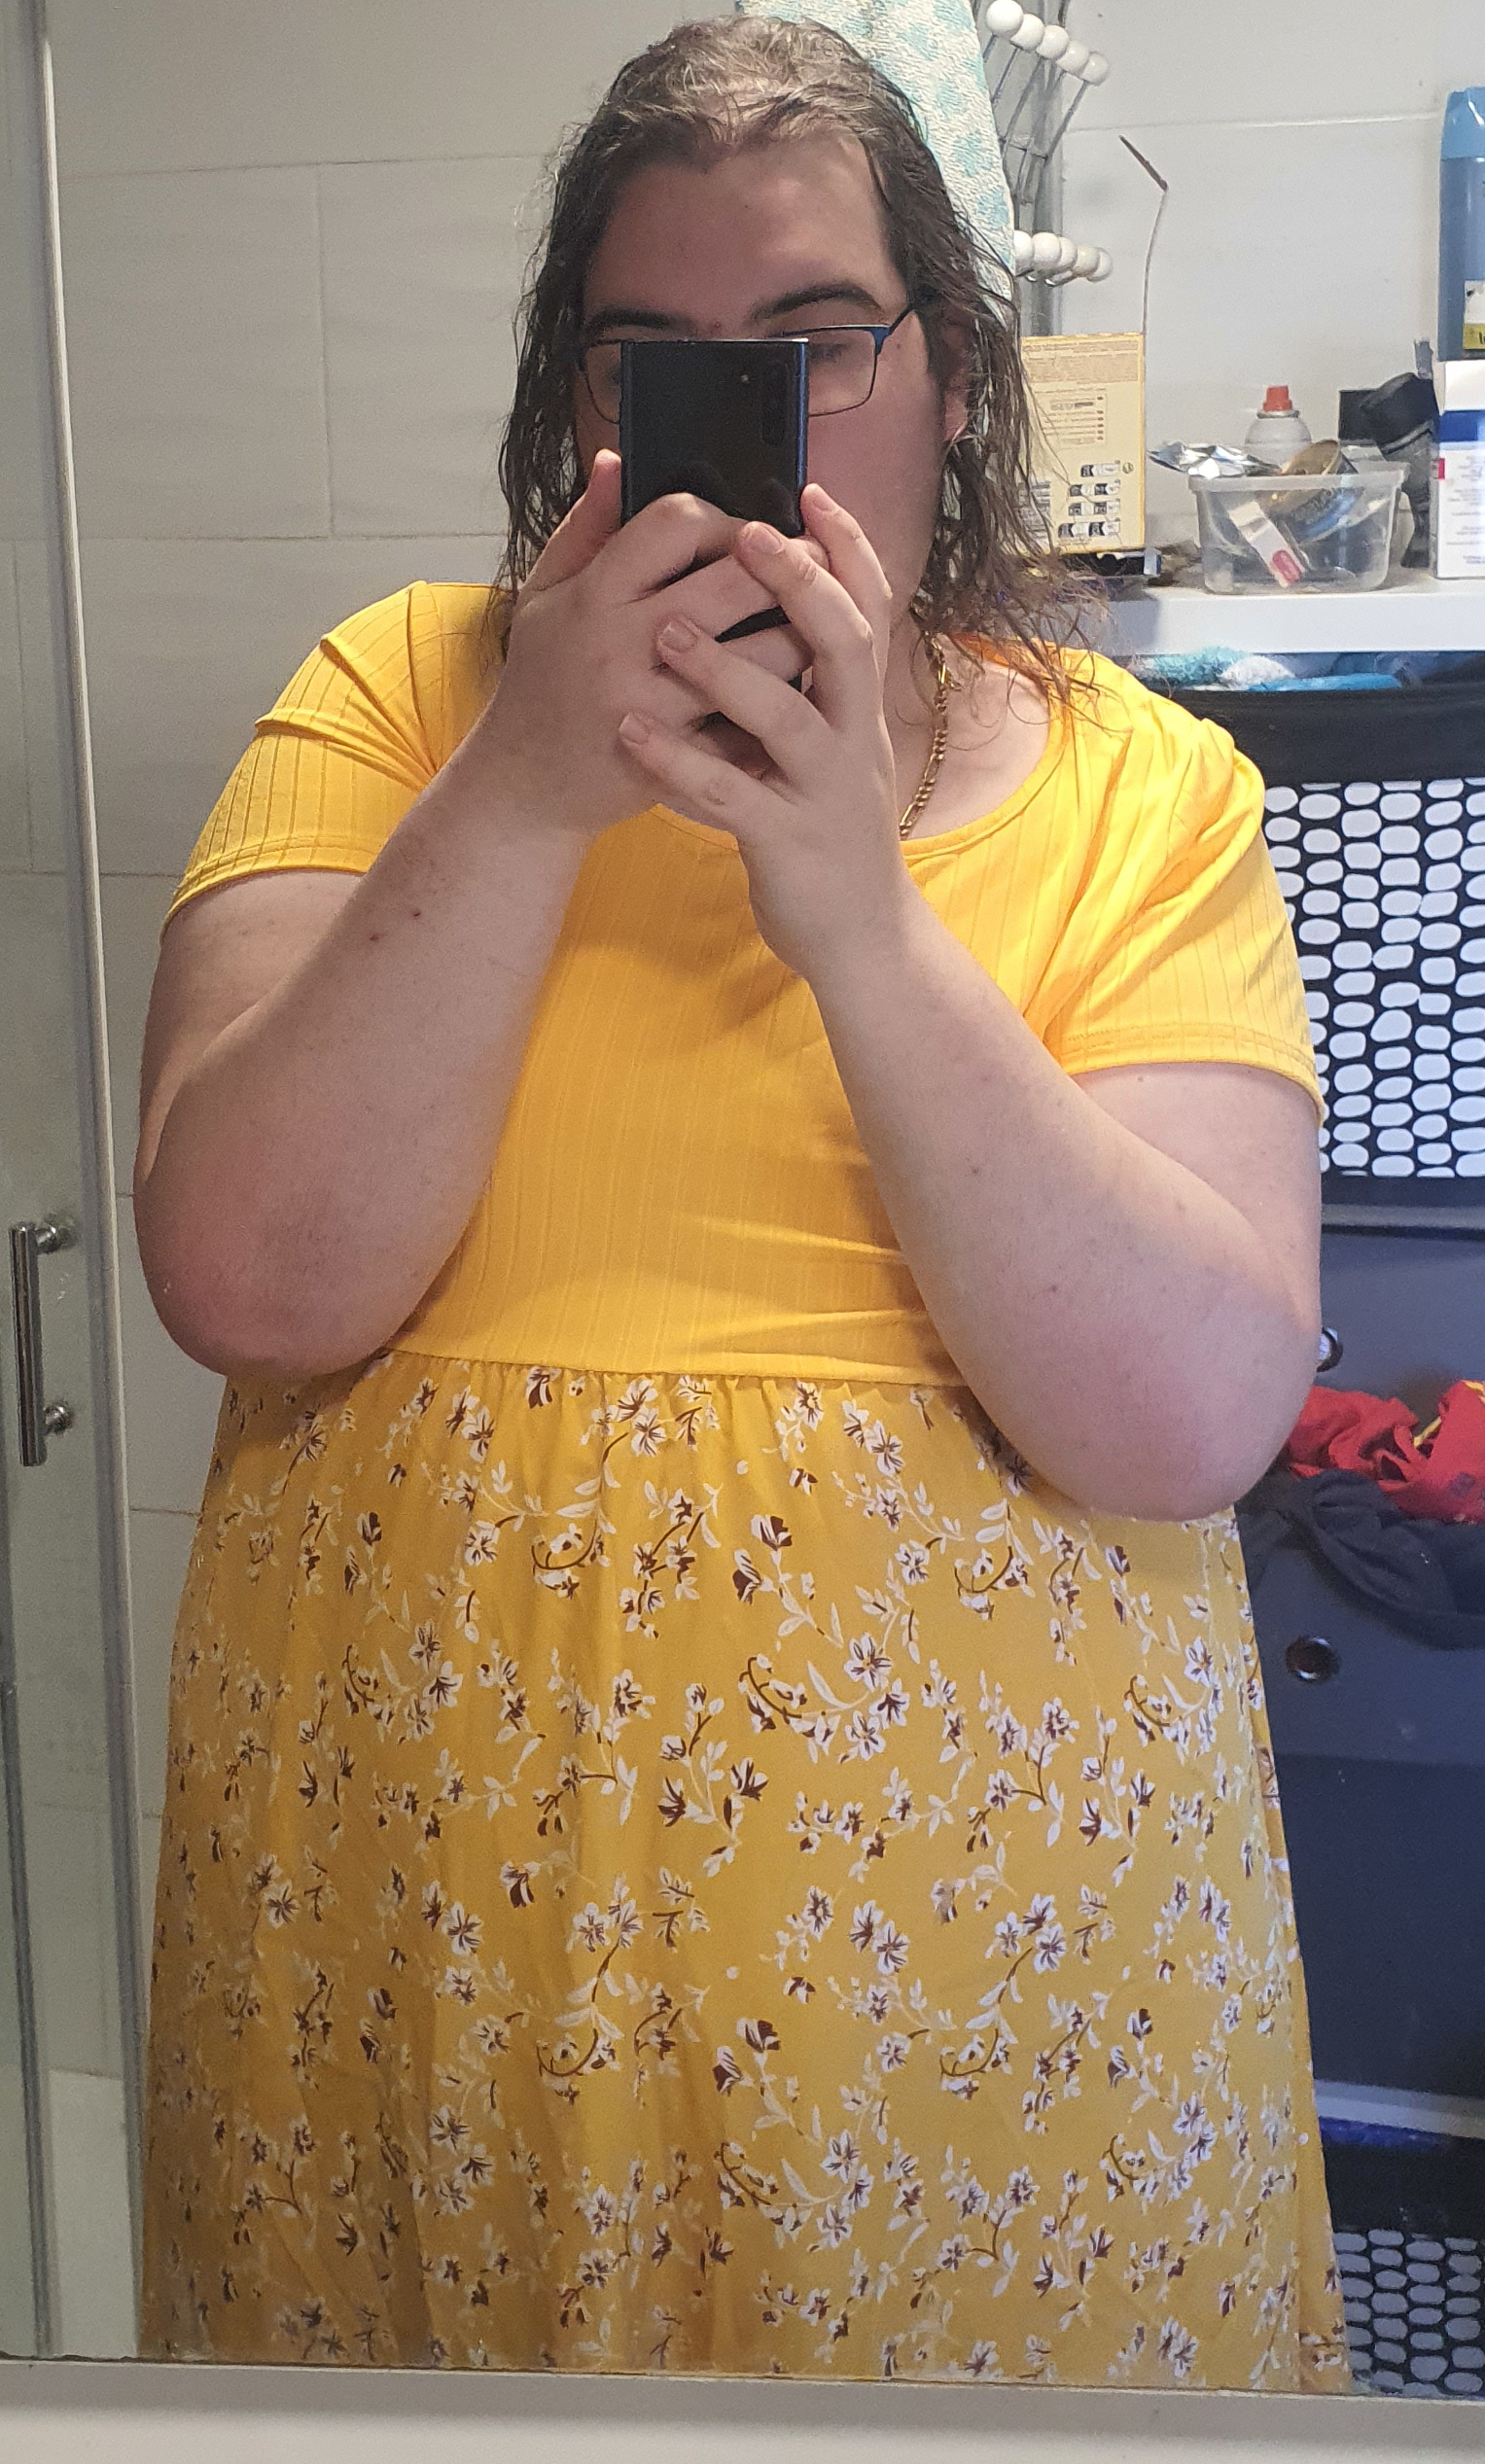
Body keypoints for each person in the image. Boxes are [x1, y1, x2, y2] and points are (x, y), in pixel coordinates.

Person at [135, 17, 1348, 2389]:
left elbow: (1189, 1417)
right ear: (572, 396)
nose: (746, 421)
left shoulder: (1146, 794)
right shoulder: (393, 705)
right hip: (414, 1982)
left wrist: (858, 918)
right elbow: (245, 1276)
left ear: (953, 379)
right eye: (656, 357)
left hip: (983, 2027)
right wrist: (525, 785)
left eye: (818, 342)